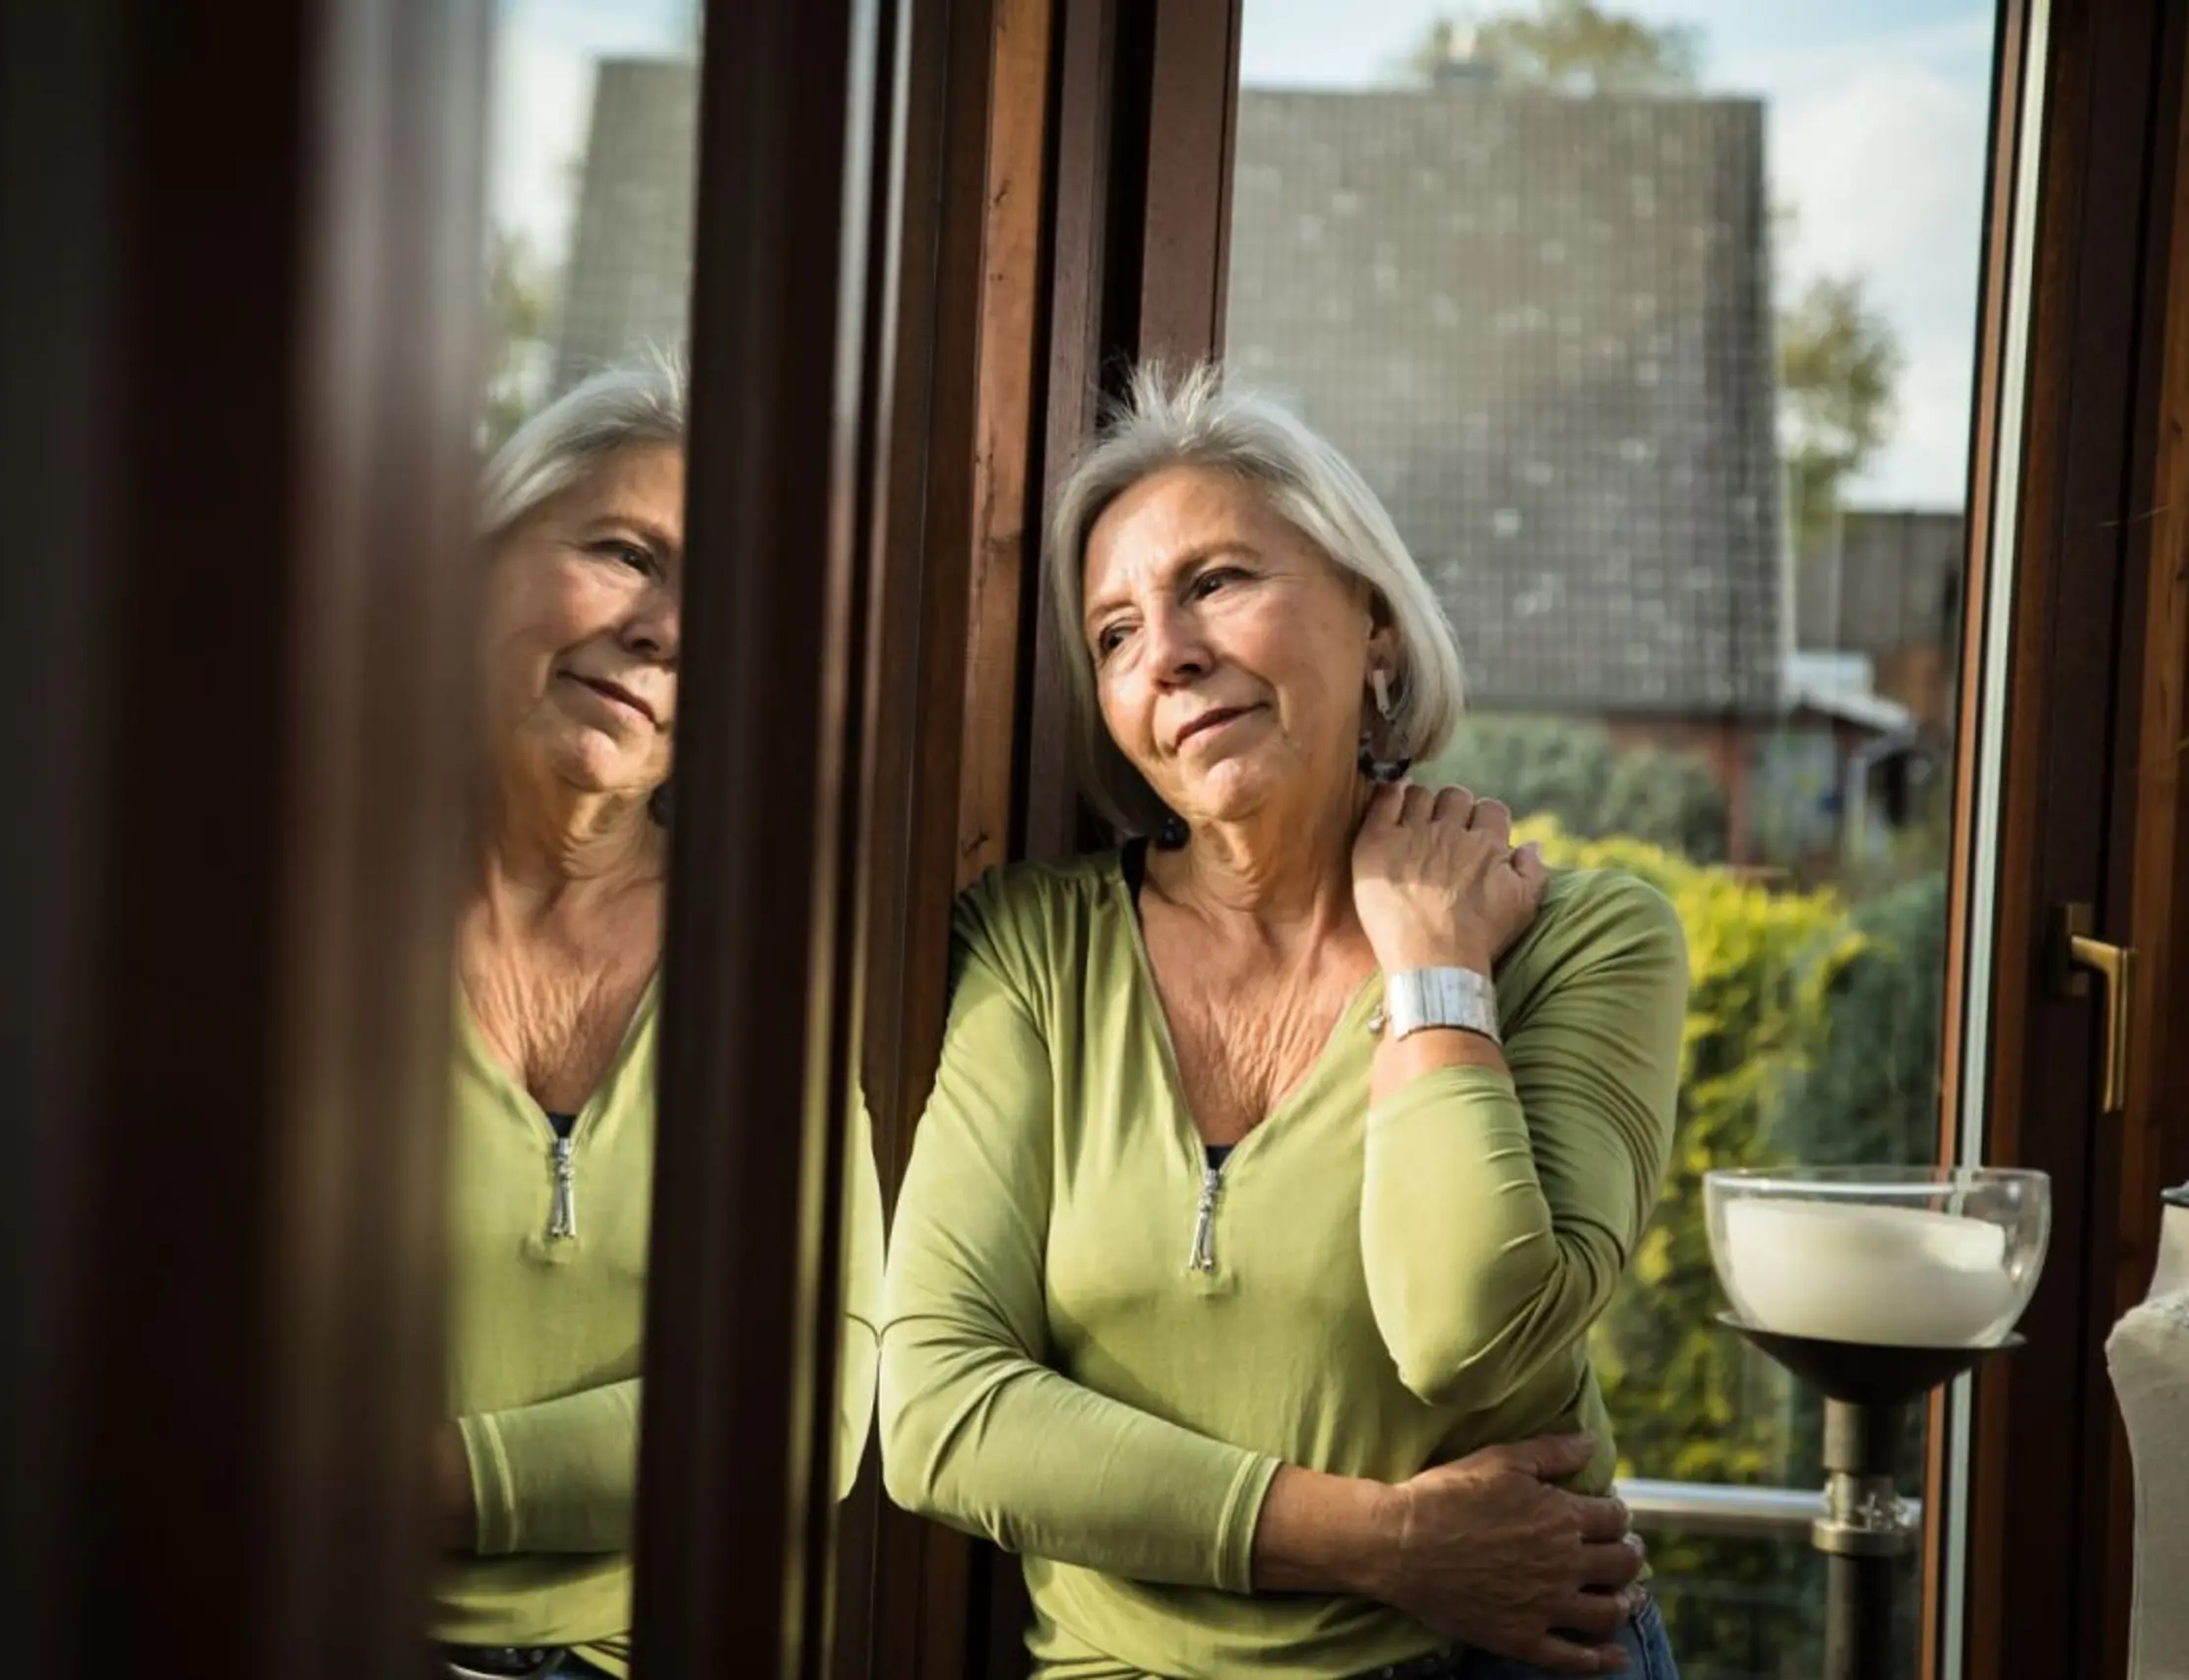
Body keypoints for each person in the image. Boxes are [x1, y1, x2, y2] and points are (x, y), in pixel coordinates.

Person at [878, 361, 1688, 1680]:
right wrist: (1384, 1541)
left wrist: (1433, 964)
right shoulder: (1037, 948)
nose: (1171, 653)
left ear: (1375, 622)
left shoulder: (1588, 940)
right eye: (1115, 633)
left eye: (1215, 581)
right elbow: (938, 1411)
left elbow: (1467, 1329)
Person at [431, 358, 883, 1680]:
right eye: (628, 554)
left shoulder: (763, 961)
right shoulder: (306, 915)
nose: (667, 627)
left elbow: (805, 1411)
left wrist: (397, 1482)